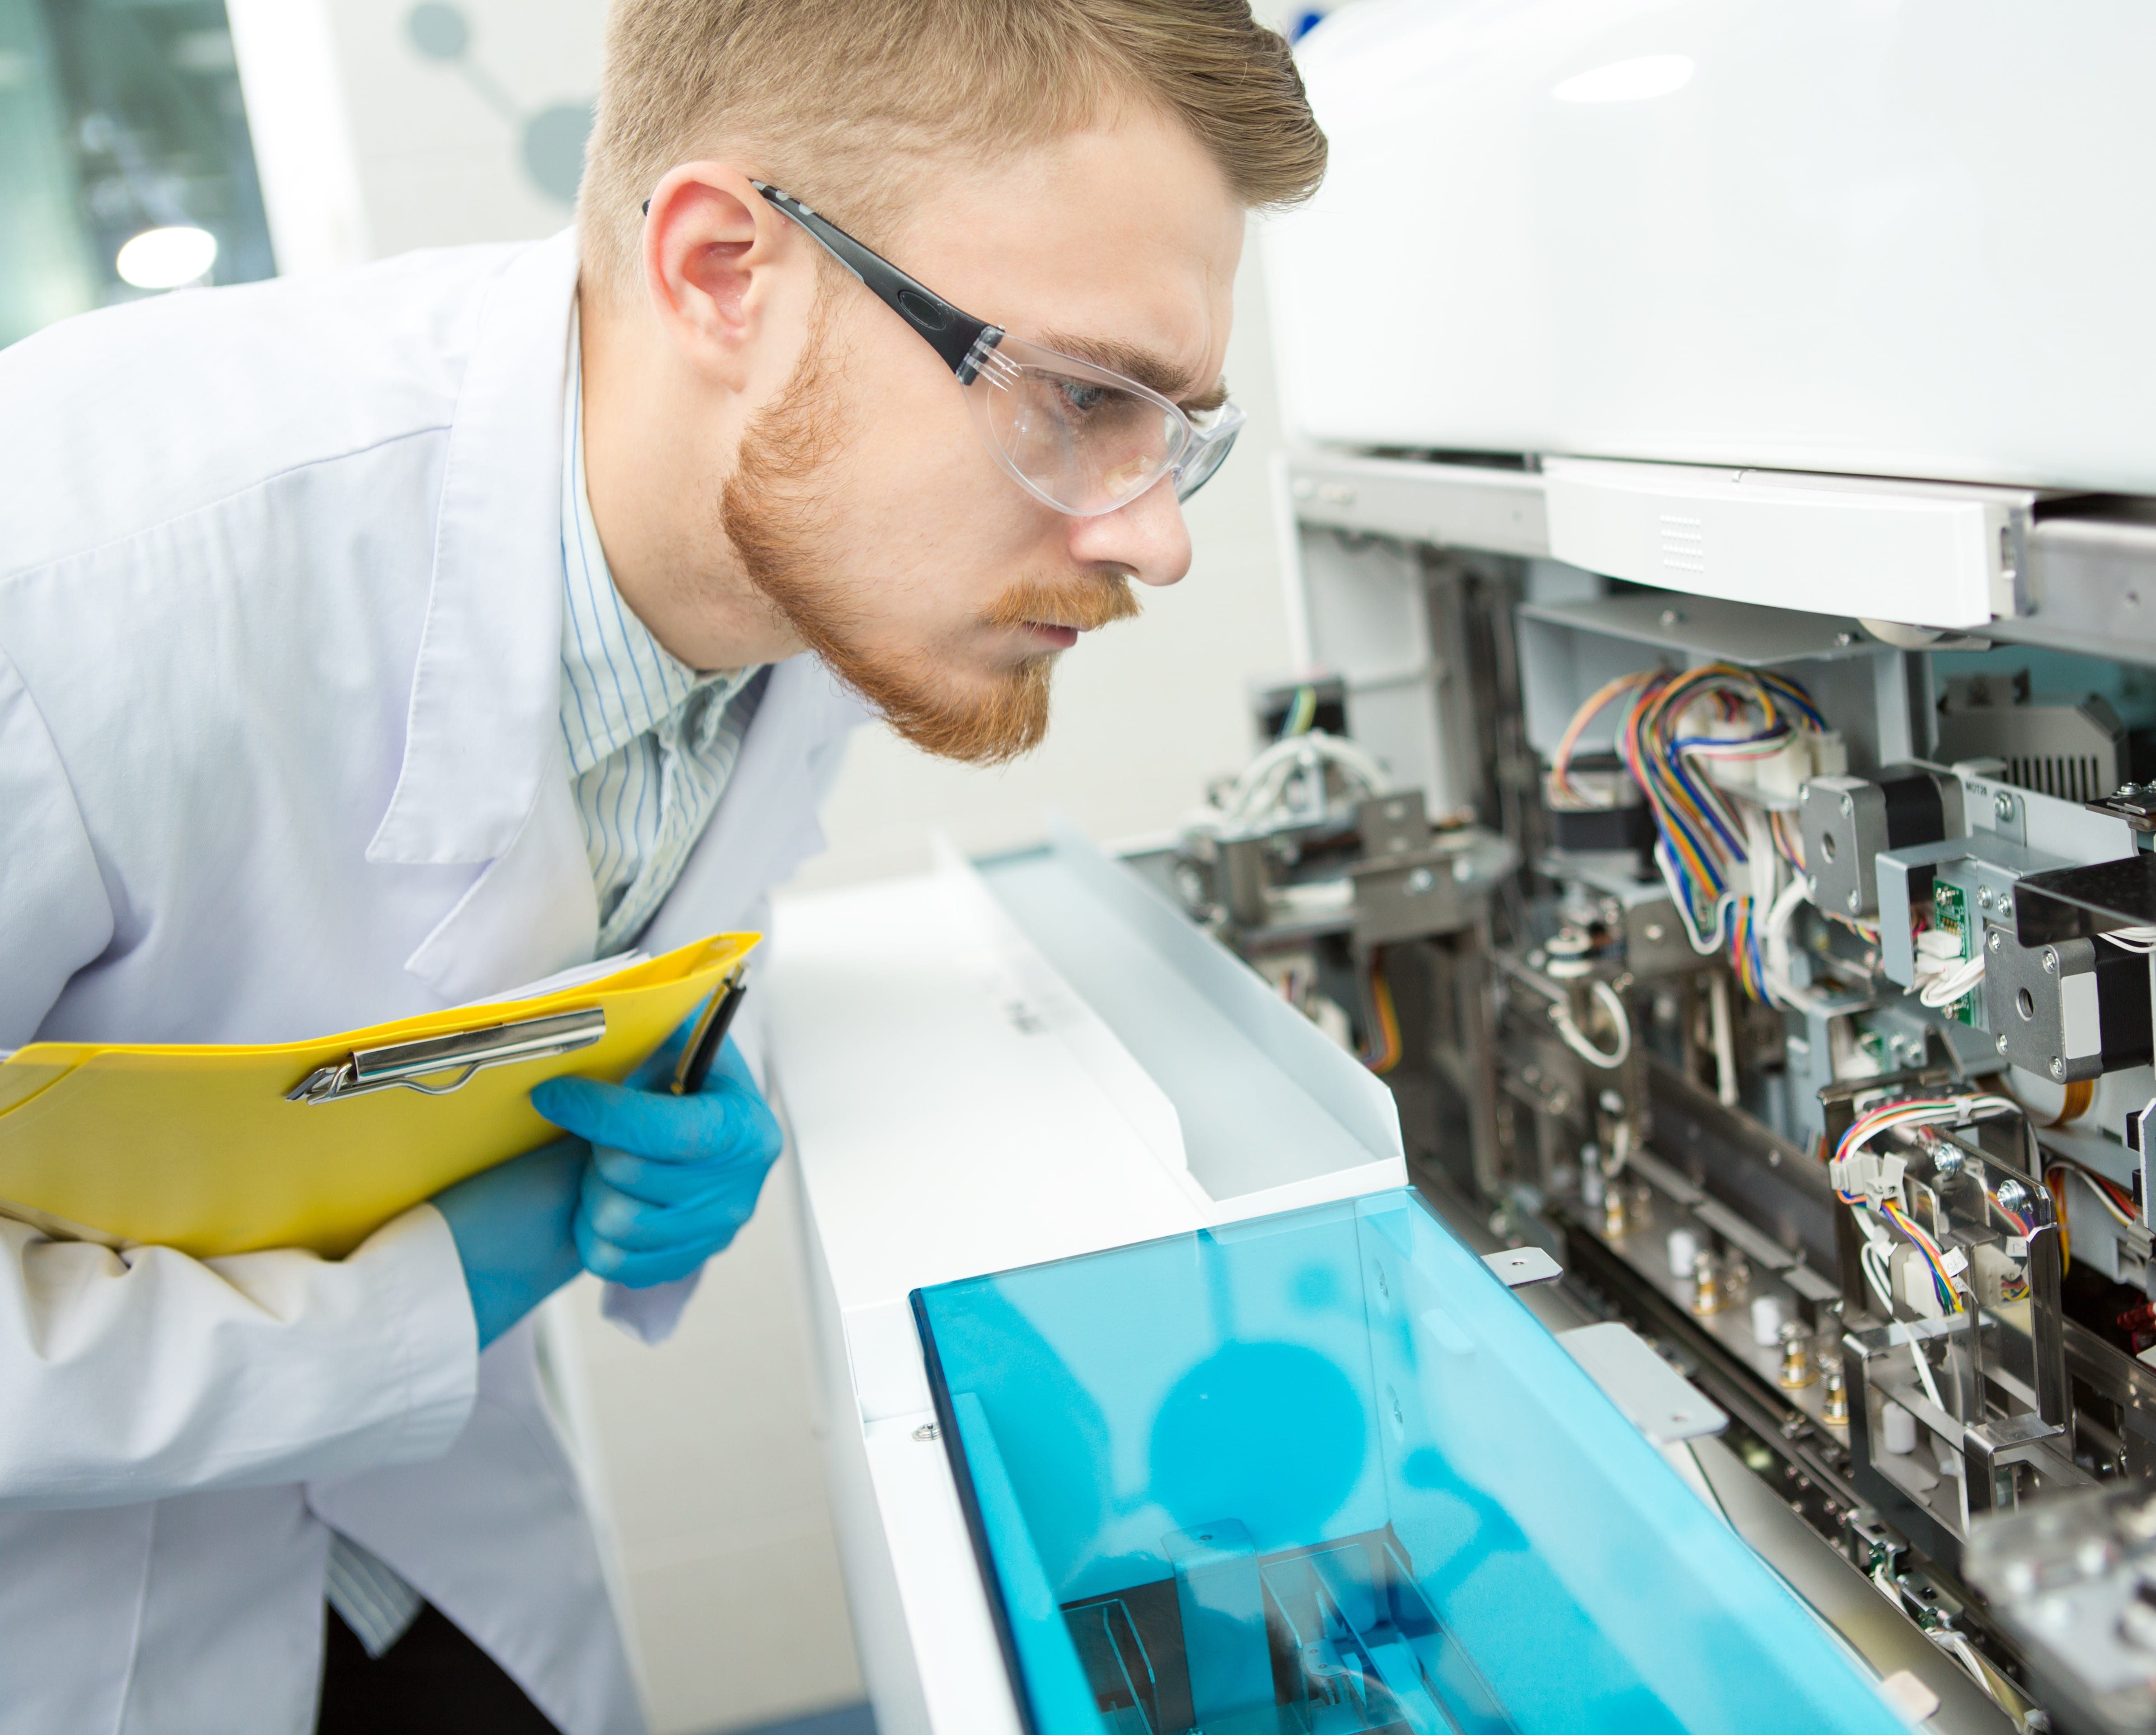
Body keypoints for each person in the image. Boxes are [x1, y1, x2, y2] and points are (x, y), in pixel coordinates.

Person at [0, 0, 1325, 1727]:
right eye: (1078, 395)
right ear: (719, 270)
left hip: (440, 1571)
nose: (1154, 533)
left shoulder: (798, 552)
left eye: (1174, 428)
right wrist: (416, 1302)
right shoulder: (76, 571)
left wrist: (699, 1076)